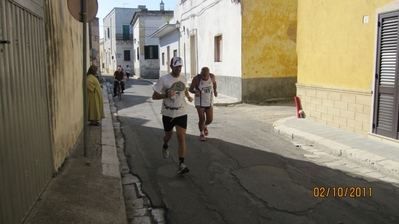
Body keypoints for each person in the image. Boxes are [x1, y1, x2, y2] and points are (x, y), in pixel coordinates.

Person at [152, 56, 194, 174]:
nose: (178, 69)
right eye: (176, 67)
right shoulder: (163, 79)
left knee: (181, 137)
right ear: (171, 66)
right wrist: (166, 95)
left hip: (181, 112)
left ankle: (181, 163)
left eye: (180, 66)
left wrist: (188, 96)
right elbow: (154, 96)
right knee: (168, 136)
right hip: (168, 113)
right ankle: (165, 144)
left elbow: (184, 88)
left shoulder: (184, 78)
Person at [189, 67, 217, 141]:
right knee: (202, 119)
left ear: (209, 74)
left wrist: (215, 91)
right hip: (199, 102)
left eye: (206, 76)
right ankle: (201, 133)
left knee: (210, 119)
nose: (205, 78)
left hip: (209, 102)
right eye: (203, 76)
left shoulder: (212, 77)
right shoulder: (196, 79)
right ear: (200, 73)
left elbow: (214, 83)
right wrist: (195, 92)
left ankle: (205, 126)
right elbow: (190, 89)